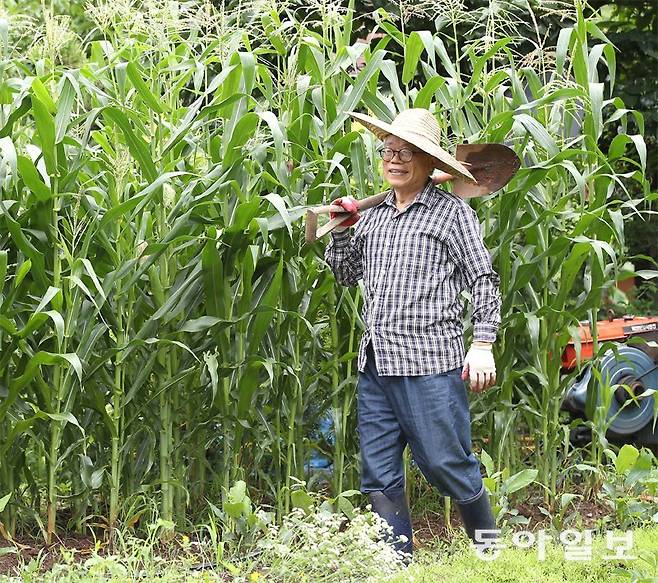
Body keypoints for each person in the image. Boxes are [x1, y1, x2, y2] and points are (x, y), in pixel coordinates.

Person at [324, 108, 501, 560]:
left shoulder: (451, 213)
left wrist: (482, 344)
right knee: (378, 474)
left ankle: (491, 553)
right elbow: (347, 274)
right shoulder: (376, 216)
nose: (395, 159)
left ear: (429, 161)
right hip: (377, 364)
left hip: (429, 366)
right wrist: (343, 231)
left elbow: (484, 279)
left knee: (446, 465)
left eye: (407, 152)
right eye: (389, 151)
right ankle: (397, 565)